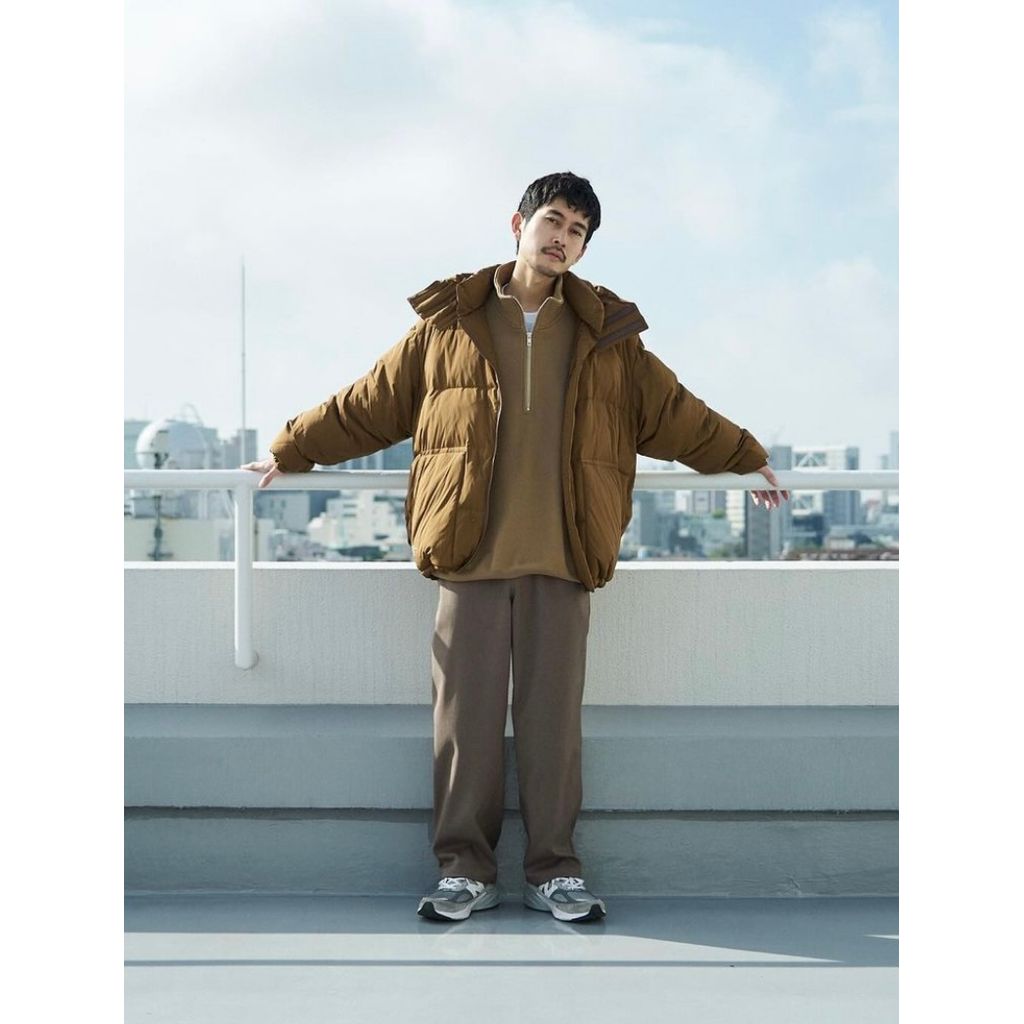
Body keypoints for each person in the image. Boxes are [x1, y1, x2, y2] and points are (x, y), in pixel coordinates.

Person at [243, 171, 789, 924]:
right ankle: (463, 871)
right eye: (553, 220)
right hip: (468, 553)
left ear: (585, 247)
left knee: (552, 729)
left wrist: (746, 457)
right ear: (519, 224)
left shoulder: (608, 336)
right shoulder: (450, 324)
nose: (563, 237)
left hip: (564, 556)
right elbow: (369, 403)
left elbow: (675, 412)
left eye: (578, 230)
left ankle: (554, 871)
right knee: (462, 727)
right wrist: (290, 449)